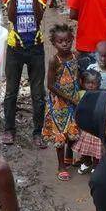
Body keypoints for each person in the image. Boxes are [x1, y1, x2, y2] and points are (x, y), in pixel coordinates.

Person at [1, 0, 49, 147]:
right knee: (11, 92)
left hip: (36, 47)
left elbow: (38, 19)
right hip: (15, 47)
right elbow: (11, 17)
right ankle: (9, 130)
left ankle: (38, 133)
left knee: (38, 93)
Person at [43, 23, 81, 180]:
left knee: (73, 130)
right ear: (54, 43)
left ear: (72, 39)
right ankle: (61, 165)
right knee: (60, 133)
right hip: (59, 103)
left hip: (74, 99)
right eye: (60, 41)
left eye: (67, 41)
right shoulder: (54, 61)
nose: (64, 44)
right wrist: (68, 98)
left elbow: (78, 75)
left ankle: (69, 156)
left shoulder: (75, 56)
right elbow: (50, 85)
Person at [73, 69, 103, 173]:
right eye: (88, 83)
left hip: (95, 128)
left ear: (98, 84)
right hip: (84, 127)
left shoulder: (100, 95)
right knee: (84, 148)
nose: (90, 85)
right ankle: (86, 162)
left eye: (93, 83)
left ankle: (96, 165)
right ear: (82, 83)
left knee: (96, 149)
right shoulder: (80, 94)